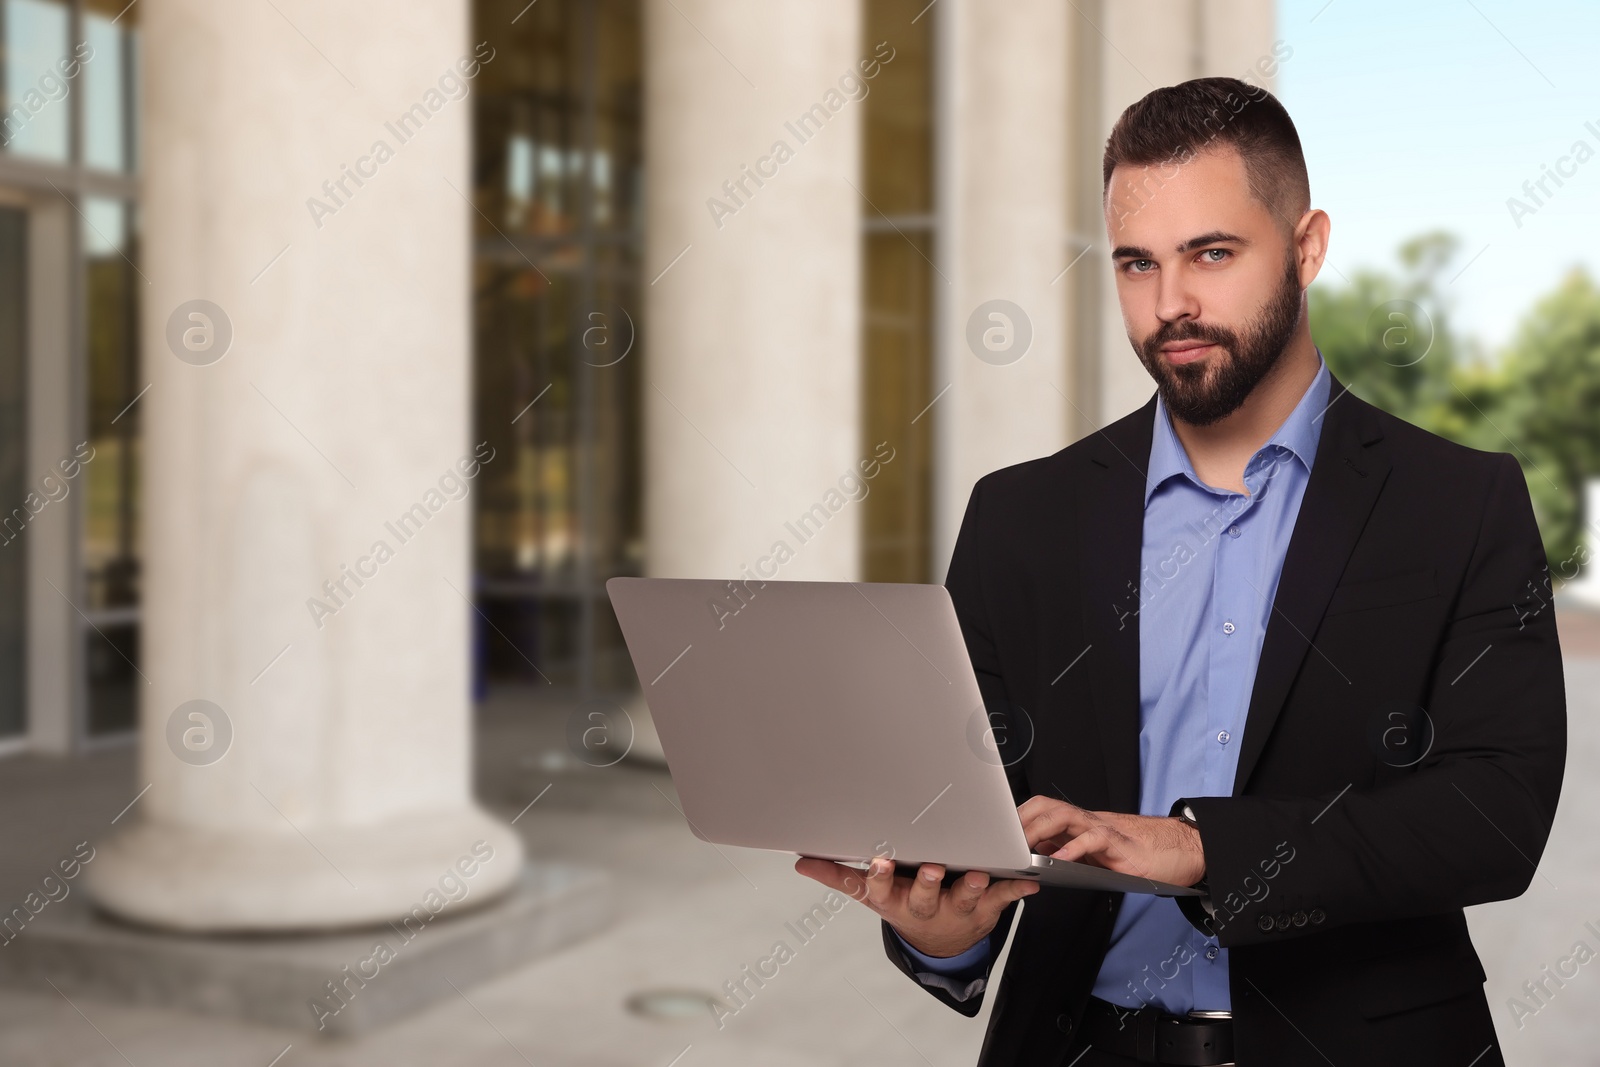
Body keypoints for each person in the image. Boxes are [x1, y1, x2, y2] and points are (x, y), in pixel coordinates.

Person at [797, 76, 1566, 1066]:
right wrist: (943, 929)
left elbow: (1491, 814)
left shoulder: (1460, 502)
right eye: (1134, 263)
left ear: (1307, 245)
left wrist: (1199, 846)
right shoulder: (1019, 516)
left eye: (1211, 253)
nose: (1170, 305)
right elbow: (971, 801)